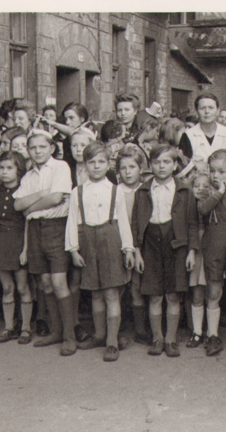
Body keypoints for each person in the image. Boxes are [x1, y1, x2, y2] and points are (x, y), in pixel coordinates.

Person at [65, 141, 135, 361]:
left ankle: (112, 341)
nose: (96, 166)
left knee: (111, 292)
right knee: (95, 292)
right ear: (85, 165)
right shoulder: (77, 192)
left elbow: (123, 221)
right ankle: (100, 334)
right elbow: (72, 221)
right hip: (87, 240)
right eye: (92, 162)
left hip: (110, 240)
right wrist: (73, 250)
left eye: (101, 162)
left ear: (108, 164)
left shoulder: (116, 191)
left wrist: (128, 248)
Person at [13, 130, 77, 356]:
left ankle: (70, 336)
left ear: (51, 148)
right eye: (33, 148)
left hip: (56, 228)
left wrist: (32, 206)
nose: (38, 151)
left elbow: (56, 198)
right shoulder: (29, 176)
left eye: (42, 146)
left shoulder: (60, 167)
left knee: (59, 282)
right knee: (46, 283)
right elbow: (17, 204)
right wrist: (40, 196)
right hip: (35, 231)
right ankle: (57, 331)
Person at [132, 144, 199, 358]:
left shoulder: (184, 190)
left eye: (167, 162)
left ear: (175, 164)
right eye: (157, 162)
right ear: (150, 164)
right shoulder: (143, 190)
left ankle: (170, 339)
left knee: (172, 295)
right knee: (154, 296)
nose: (161, 167)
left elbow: (192, 223)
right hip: (150, 243)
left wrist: (191, 251)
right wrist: (137, 250)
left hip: (175, 243)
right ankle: (157, 338)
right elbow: (135, 223)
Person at [195, 150, 226, 361]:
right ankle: (213, 336)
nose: (215, 176)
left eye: (221, 171)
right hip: (213, 248)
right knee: (213, 293)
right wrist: (218, 192)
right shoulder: (207, 192)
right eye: (212, 171)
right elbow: (202, 210)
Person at [0, 151, 33, 343]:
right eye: (2, 168)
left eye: (9, 168)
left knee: (22, 287)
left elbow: (28, 222)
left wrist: (25, 249)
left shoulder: (23, 190)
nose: (4, 172)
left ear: (18, 170)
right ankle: (9, 327)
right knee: (6, 287)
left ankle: (26, 328)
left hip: (17, 240)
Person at [116, 144, 150, 344]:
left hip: (142, 245)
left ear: (140, 169)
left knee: (137, 287)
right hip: (120, 243)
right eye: (123, 168)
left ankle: (140, 329)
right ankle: (117, 327)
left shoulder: (145, 190)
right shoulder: (116, 191)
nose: (128, 172)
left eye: (132, 167)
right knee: (119, 287)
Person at [178, 93, 226, 176]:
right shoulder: (188, 135)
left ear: (217, 111)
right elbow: (183, 167)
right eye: (202, 108)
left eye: (211, 108)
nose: (207, 112)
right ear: (196, 112)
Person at [186, 173, 210, 347]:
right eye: (197, 186)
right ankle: (197, 331)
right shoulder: (188, 205)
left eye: (206, 186)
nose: (201, 189)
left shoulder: (212, 205)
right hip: (195, 249)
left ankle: (211, 331)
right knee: (197, 291)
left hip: (211, 249)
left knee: (212, 292)